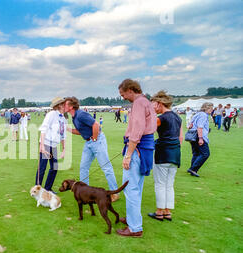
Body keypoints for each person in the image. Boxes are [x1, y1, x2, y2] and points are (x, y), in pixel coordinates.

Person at [117, 79, 157, 237]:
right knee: (136, 188)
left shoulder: (139, 103)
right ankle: (132, 219)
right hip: (145, 149)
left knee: (130, 188)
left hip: (137, 149)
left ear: (130, 90)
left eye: (123, 94)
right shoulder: (146, 101)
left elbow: (137, 131)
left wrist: (128, 155)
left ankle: (134, 227)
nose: (123, 97)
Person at [64, 97, 120, 202]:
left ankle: (115, 193)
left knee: (106, 167)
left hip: (96, 140)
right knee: (83, 167)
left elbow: (96, 124)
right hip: (88, 143)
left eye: (65, 104)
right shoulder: (74, 117)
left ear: (71, 106)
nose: (63, 106)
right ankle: (84, 191)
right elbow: (80, 131)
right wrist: (68, 129)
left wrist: (94, 139)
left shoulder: (81, 114)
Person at [148, 91, 183, 222]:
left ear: (159, 103)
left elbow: (148, 129)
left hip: (163, 152)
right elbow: (180, 137)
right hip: (175, 152)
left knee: (160, 184)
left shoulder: (161, 118)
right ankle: (167, 212)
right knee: (169, 184)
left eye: (153, 104)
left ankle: (159, 212)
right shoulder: (178, 117)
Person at [35, 97, 66, 193]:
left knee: (54, 167)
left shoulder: (63, 118)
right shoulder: (51, 114)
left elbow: (63, 135)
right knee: (42, 168)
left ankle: (48, 188)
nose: (66, 106)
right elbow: (44, 129)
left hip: (54, 146)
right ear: (59, 105)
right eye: (64, 104)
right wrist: (42, 145)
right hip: (46, 144)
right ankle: (37, 190)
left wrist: (64, 148)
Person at [187, 102, 213, 177]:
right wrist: (201, 138)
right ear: (207, 108)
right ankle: (193, 169)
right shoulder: (203, 115)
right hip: (199, 136)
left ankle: (192, 168)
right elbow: (200, 127)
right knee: (205, 154)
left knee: (196, 153)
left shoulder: (197, 114)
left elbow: (190, 125)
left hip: (192, 136)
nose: (212, 110)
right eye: (211, 108)